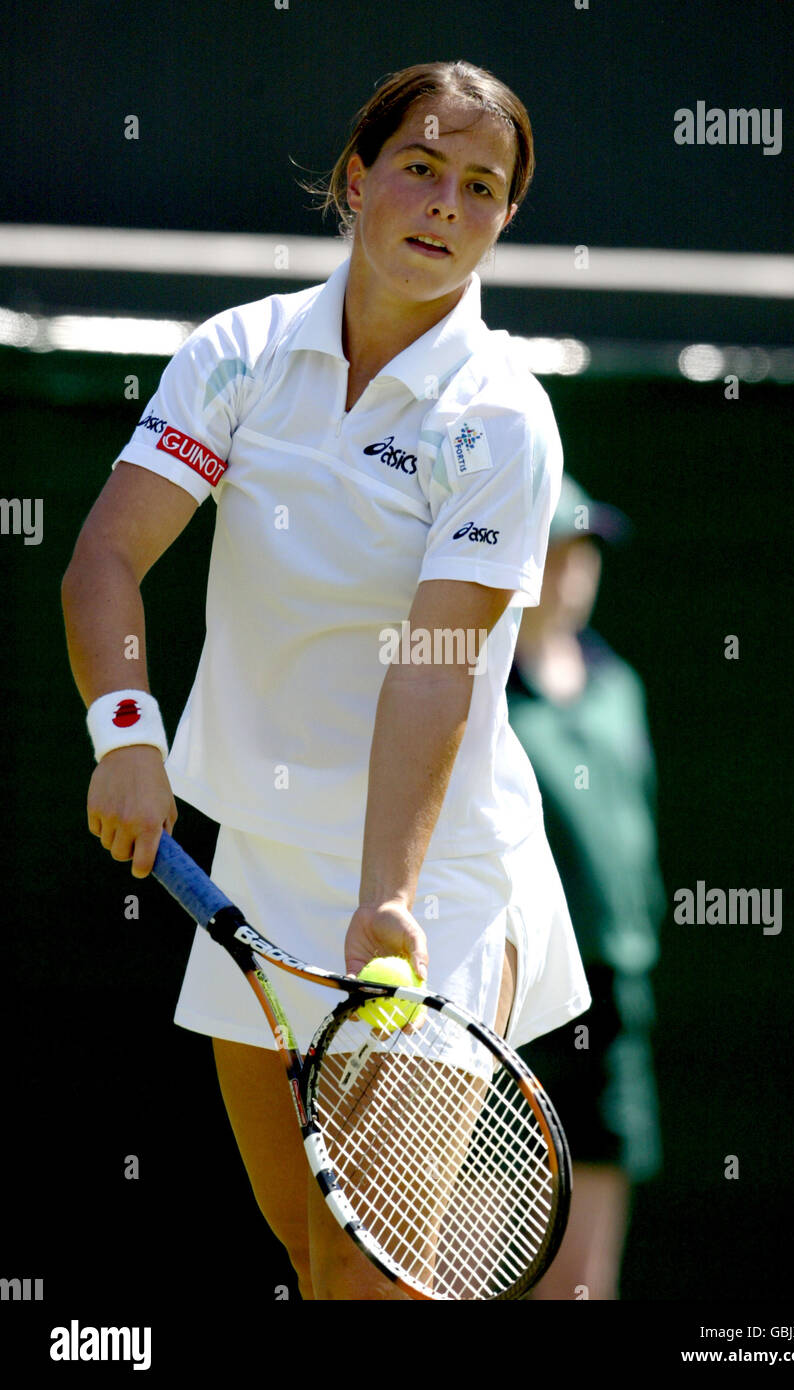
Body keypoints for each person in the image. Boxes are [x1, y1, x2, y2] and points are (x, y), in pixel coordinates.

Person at [61, 60, 592, 1301]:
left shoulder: (501, 416)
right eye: (419, 166)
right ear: (356, 182)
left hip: (431, 888)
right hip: (257, 866)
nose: (444, 204)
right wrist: (125, 728)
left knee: (370, 1281)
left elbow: (434, 664)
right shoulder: (237, 355)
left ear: (501, 221)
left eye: (480, 187)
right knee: (309, 1257)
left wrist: (388, 901)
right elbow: (105, 555)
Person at [507, 476, 665, 1300]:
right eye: (557, 549)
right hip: (512, 1000)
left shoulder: (620, 685)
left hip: (614, 998)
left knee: (581, 1284)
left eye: (585, 551)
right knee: (487, 1263)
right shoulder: (477, 691)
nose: (574, 570)